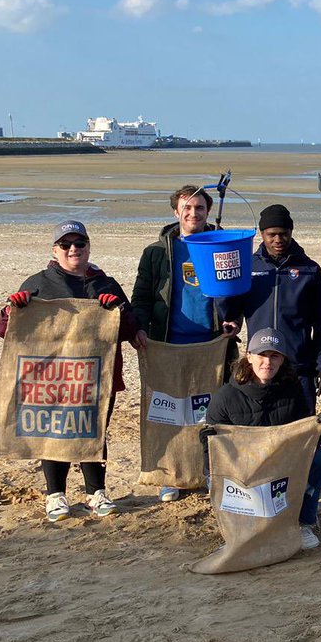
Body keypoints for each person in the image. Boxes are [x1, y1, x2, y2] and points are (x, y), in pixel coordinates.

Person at [0, 221, 146, 521]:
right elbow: (6, 331)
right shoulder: (39, 282)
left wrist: (117, 310)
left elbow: (130, 330)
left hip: (96, 376)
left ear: (89, 247)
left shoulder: (106, 284)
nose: (73, 249)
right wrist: (11, 311)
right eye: (66, 245)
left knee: (94, 430)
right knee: (54, 429)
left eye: (80, 244)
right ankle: (56, 495)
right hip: (51, 375)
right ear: (55, 250)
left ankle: (96, 492)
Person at [131, 184, 232, 502]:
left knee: (209, 413)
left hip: (212, 345)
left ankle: (207, 471)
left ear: (207, 212)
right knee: (171, 414)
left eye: (199, 208)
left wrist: (234, 318)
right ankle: (172, 476)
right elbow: (142, 296)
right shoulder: (157, 252)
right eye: (186, 208)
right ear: (176, 212)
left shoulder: (222, 246)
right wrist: (138, 327)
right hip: (168, 344)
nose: (193, 213)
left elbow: (237, 291)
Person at [204, 328, 321, 550]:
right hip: (243, 470)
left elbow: (303, 442)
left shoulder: (292, 390)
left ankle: (303, 522)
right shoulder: (225, 397)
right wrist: (209, 444)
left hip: (280, 464)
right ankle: (236, 526)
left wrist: (320, 430)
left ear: (282, 359)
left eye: (274, 356)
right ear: (249, 356)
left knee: (320, 459)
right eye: (262, 355)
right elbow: (211, 459)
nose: (267, 362)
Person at [217, 204, 321, 412]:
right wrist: (222, 284)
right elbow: (231, 312)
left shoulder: (310, 270)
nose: (278, 240)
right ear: (262, 234)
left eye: (284, 234)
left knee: (301, 432)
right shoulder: (249, 267)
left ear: (291, 232)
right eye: (272, 235)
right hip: (260, 366)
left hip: (299, 367)